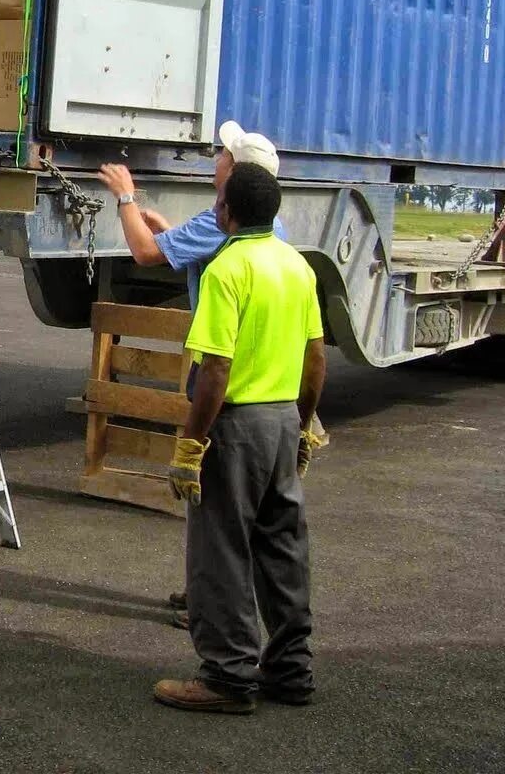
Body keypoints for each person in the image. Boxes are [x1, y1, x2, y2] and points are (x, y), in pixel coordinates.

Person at [98, 120, 290, 628]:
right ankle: (208, 592)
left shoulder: (222, 232)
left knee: (220, 510)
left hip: (227, 389)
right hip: (276, 396)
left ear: (234, 177)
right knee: (251, 514)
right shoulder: (276, 237)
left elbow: (144, 254)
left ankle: (215, 612)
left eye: (221, 155)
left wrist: (124, 197)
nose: (214, 159)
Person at [152, 162, 329, 714]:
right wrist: (303, 423)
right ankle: (289, 669)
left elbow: (216, 371)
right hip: (281, 421)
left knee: (221, 550)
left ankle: (228, 677)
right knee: (281, 546)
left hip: (236, 427)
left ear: (226, 211)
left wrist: (190, 443)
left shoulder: (225, 270)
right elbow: (316, 357)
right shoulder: (297, 267)